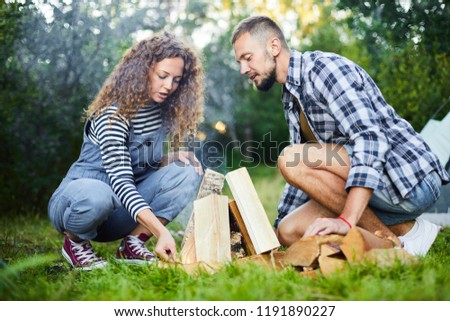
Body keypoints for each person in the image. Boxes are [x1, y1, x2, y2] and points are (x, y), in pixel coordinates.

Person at [231, 15, 449, 256]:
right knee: (289, 230)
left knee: (290, 158)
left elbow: (371, 139)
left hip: (409, 179)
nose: (242, 69)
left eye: (247, 58)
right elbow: (303, 177)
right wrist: (272, 234)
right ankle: (401, 239)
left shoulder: (324, 70)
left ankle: (377, 230)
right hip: (374, 187)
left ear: (273, 46)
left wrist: (345, 220)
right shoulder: (290, 96)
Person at [48, 31, 204, 270]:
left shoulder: (159, 111)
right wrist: (162, 232)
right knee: (98, 193)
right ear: (143, 70)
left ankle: (133, 243)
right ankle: (76, 243)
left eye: (176, 80)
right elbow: (121, 181)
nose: (169, 86)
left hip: (120, 212)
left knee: (187, 170)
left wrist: (169, 159)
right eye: (163, 76)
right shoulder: (113, 115)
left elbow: (139, 166)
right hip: (79, 204)